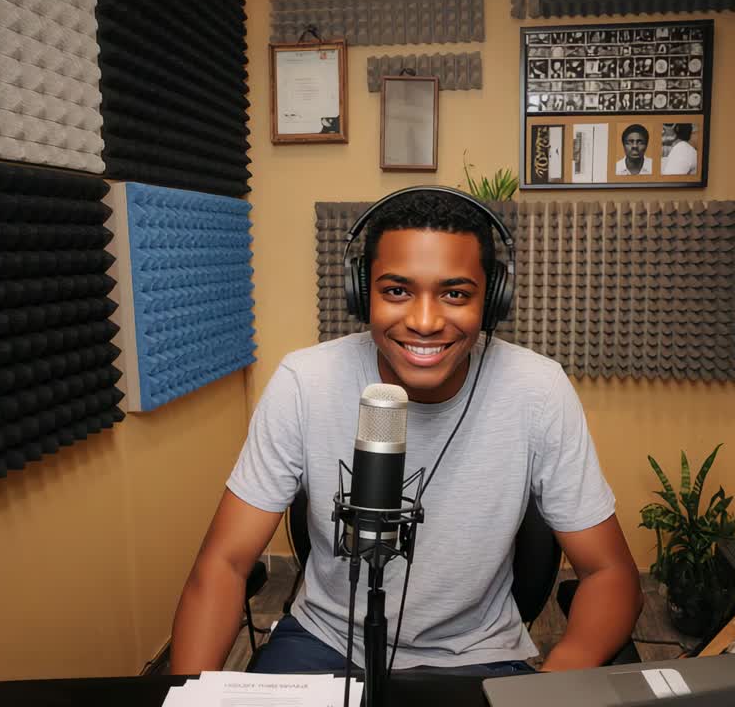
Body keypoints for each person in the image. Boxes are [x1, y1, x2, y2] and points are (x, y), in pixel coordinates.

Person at [170, 188, 643, 676]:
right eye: (397, 291)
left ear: (493, 299)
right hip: (324, 642)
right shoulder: (304, 383)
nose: (424, 322)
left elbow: (610, 574)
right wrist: (182, 695)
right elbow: (223, 565)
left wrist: (560, 673)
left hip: (476, 655)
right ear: (361, 293)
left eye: (455, 294)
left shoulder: (538, 390)